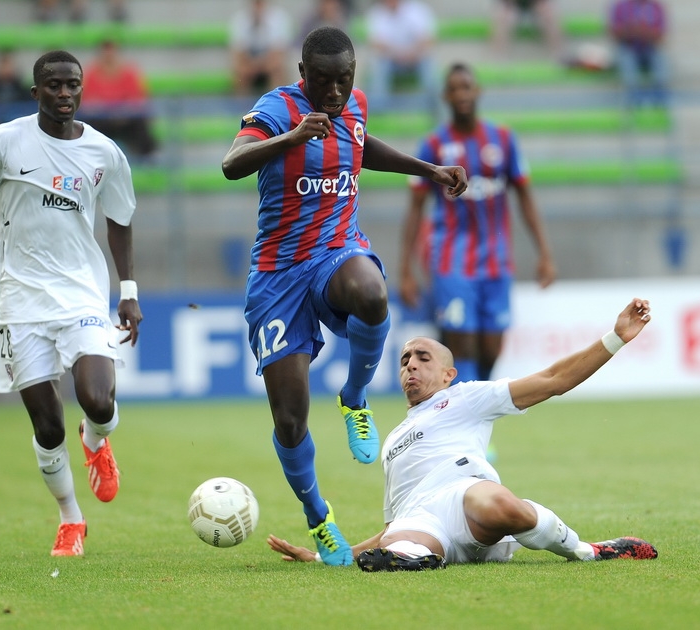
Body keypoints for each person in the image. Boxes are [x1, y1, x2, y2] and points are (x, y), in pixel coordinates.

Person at [221, 26, 467, 566]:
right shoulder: (276, 108)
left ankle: (354, 397)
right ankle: (318, 516)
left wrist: (427, 170)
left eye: (344, 80)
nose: (335, 92)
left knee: (372, 294)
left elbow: (360, 145)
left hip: (336, 249)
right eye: (323, 81)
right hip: (278, 275)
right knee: (290, 419)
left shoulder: (355, 104)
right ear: (302, 74)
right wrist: (291, 138)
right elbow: (231, 163)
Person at [0, 50, 142, 557]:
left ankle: (96, 440)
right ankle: (71, 519)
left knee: (99, 399)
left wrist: (128, 292)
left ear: (82, 88)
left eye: (72, 85)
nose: (64, 93)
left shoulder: (105, 153)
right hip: (17, 299)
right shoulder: (3, 142)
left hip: (80, 291)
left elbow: (120, 221)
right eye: (54, 85)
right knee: (47, 424)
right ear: (36, 91)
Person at [268, 298, 658, 571]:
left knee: (498, 504)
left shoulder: (466, 397)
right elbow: (389, 526)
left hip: (467, 500)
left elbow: (553, 379)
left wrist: (615, 338)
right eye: (404, 360)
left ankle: (588, 551)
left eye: (423, 358)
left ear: (448, 375)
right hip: (422, 521)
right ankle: (416, 558)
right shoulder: (391, 442)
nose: (411, 365)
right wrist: (326, 555)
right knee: (394, 544)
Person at [399, 62, 556, 386]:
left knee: (491, 350)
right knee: (462, 346)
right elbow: (415, 208)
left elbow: (525, 197)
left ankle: (472, 404)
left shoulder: (503, 139)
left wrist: (544, 253)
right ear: (445, 96)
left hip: (496, 261)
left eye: (466, 87)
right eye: (454, 89)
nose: (461, 94)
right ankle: (469, 415)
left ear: (478, 91)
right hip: (451, 261)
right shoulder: (434, 145)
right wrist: (405, 269)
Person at [80, 39, 158, 162]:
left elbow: (138, 101)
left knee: (141, 125)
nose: (109, 58)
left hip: (126, 120)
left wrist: (122, 111)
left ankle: (147, 160)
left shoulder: (129, 73)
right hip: (101, 121)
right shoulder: (91, 74)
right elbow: (86, 103)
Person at [364, 0, 438, 114]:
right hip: (390, 59)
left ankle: (434, 104)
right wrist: (397, 54)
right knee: (378, 64)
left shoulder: (417, 10)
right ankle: (378, 108)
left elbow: (428, 40)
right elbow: (376, 43)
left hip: (416, 58)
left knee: (428, 62)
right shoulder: (376, 13)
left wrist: (411, 53)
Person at [608, 0, 669, 109]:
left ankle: (659, 98)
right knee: (626, 58)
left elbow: (660, 37)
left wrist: (644, 31)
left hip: (649, 48)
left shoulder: (656, 8)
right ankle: (634, 98)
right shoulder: (620, 7)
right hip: (628, 47)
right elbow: (615, 34)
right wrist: (631, 30)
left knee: (661, 58)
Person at [228, 0, 293, 96]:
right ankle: (241, 103)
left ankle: (277, 101)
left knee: (278, 70)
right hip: (250, 63)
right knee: (239, 73)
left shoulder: (279, 18)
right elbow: (239, 53)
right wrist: (252, 67)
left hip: (269, 63)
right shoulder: (240, 19)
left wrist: (261, 65)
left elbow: (278, 54)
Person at [492, 0, 563, 60]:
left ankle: (558, 53)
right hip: (510, 4)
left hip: (537, 2)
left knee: (548, 16)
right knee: (503, 18)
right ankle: (498, 56)